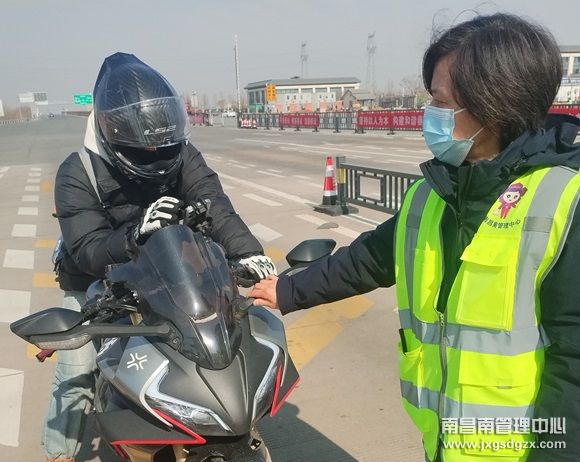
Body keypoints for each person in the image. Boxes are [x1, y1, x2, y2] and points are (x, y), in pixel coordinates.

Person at [250, 13, 580, 462]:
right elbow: (370, 258)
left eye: (441, 102)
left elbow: (573, 365)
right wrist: (287, 290)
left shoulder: (563, 201)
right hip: (444, 442)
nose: (432, 115)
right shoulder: (434, 193)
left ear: (495, 105)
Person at [44, 52, 276, 462]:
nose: (155, 153)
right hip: (95, 282)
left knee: (221, 339)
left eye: (162, 145)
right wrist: (134, 235)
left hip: (166, 272)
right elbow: (87, 249)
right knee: (78, 370)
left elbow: (214, 203)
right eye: (144, 148)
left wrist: (249, 255)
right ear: (111, 131)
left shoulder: (181, 154)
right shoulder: (77, 171)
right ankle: (58, 453)